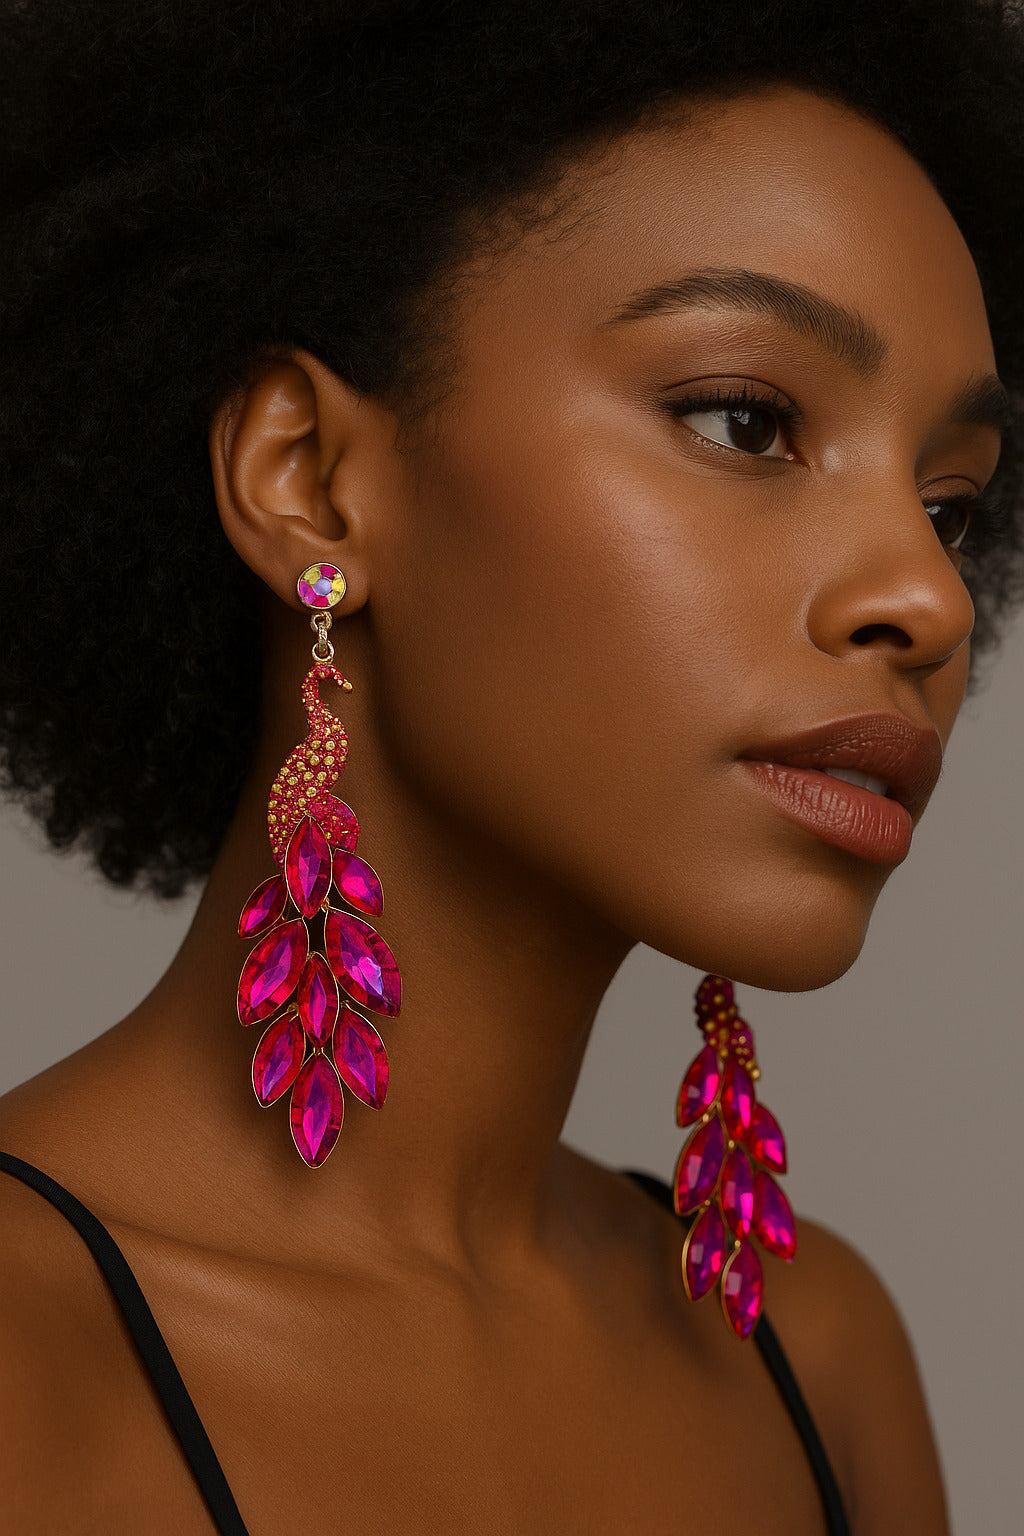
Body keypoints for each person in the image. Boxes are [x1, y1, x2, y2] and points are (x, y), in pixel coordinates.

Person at [1, 1, 1021, 1530]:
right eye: (748, 419)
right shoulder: (29, 1366)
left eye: (950, 504)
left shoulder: (813, 1361)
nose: (929, 600)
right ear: (311, 482)